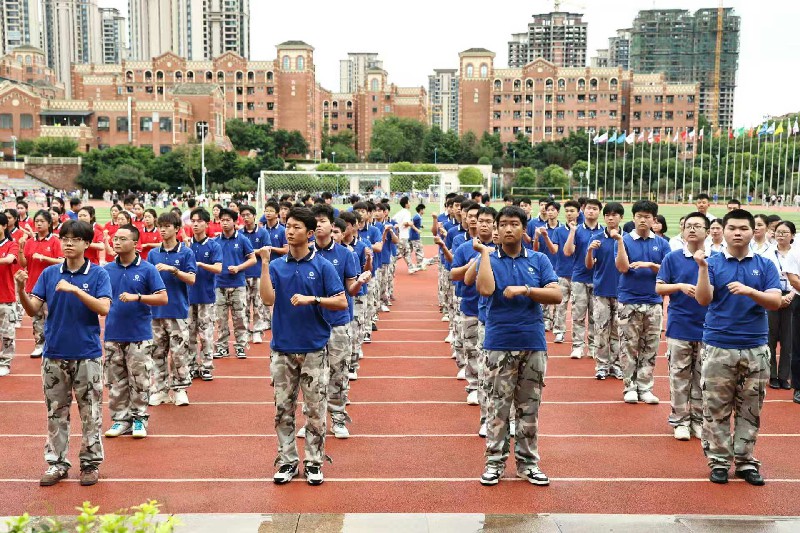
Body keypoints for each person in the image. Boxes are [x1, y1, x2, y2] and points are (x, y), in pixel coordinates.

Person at [16, 220, 112, 487]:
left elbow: (104, 308)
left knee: (90, 411)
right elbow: (33, 309)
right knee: (55, 412)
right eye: (65, 238)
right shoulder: (50, 274)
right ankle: (57, 463)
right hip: (54, 353)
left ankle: (90, 464)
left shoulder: (98, 274)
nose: (68, 243)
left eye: (75, 239)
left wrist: (76, 290)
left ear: (86, 243)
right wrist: (21, 290)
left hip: (87, 354)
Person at [259, 207, 347, 486]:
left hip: (313, 349)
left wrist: (314, 300)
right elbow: (267, 299)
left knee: (315, 409)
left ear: (309, 233)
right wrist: (264, 264)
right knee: (282, 409)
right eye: (288, 226)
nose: (289, 231)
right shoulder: (277, 266)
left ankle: (314, 462)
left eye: (296, 227)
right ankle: (287, 461)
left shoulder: (322, 266)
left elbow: (341, 301)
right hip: (282, 348)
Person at [694, 208, 782, 486]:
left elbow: (775, 301)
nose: (737, 233)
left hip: (755, 346)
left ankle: (745, 461)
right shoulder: (712, 263)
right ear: (723, 231)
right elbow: (703, 299)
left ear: (753, 232)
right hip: (719, 345)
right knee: (716, 407)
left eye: (743, 228)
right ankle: (719, 461)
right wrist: (702, 269)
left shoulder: (765, 265)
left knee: (750, 408)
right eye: (732, 228)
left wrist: (750, 291)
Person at [475, 205, 561, 486]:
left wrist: (526, 290)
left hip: (532, 342)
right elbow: (485, 289)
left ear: (524, 229)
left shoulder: (539, 259)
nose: (508, 229)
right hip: (499, 343)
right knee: (497, 408)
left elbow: (556, 294)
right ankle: (494, 463)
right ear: (496, 229)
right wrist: (485, 253)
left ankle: (528, 464)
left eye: (514, 224)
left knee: (529, 408)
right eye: (503, 224)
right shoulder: (488, 259)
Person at [102, 225, 167, 440]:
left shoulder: (147, 269)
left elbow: (162, 298)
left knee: (139, 380)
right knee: (116, 380)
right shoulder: (107, 270)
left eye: (122, 239)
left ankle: (139, 419)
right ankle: (121, 420)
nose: (117, 242)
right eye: (115, 238)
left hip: (139, 334)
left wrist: (138, 297)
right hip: (113, 333)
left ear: (135, 243)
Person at [656, 212, 712, 441]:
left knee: (703, 378)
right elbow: (659, 288)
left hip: (709, 328)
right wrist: (679, 286)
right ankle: (680, 420)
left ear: (707, 232)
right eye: (688, 225)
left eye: (697, 226)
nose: (692, 229)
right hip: (680, 326)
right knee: (679, 376)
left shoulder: (716, 259)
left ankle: (698, 420)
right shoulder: (672, 258)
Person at [615, 200, 670, 405]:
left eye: (647, 217)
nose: (643, 220)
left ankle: (645, 387)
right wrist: (620, 243)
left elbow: (668, 271)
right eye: (639, 216)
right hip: (629, 300)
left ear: (654, 220)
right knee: (628, 346)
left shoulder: (662, 244)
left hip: (654, 301)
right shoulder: (625, 240)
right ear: (634, 218)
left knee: (650, 346)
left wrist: (650, 265)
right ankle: (629, 386)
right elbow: (622, 267)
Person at [147, 213, 197, 407]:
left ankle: (180, 389)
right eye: (161, 226)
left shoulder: (186, 253)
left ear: (177, 229)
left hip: (177, 310)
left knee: (178, 352)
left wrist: (173, 270)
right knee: (157, 352)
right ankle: (159, 389)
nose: (162, 229)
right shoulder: (153, 253)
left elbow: (191, 279)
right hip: (156, 312)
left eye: (167, 226)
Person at [585, 202, 624, 380]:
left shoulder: (626, 239)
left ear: (621, 217)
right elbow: (588, 265)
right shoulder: (597, 239)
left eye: (614, 215)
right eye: (607, 215)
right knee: (601, 330)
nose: (610, 218)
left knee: (618, 331)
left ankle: (616, 365)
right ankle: (601, 365)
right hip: (601, 290)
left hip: (622, 291)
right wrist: (589, 251)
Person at [212, 208, 256, 360]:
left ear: (235, 221)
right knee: (220, 318)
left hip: (238, 284)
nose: (224, 223)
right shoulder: (215, 241)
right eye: (222, 220)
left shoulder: (242, 239)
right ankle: (222, 347)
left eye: (228, 220)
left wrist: (238, 268)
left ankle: (241, 346)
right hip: (219, 284)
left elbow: (252, 259)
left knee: (240, 317)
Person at [18, 210, 63, 357]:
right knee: (36, 318)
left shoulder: (55, 241)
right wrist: (20, 250)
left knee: (51, 316)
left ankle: (53, 344)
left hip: (52, 285)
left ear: (49, 223)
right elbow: (23, 263)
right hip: (33, 285)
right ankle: (39, 344)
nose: (38, 224)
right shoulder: (30, 242)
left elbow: (62, 261)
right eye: (36, 221)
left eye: (42, 221)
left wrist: (44, 258)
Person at [563, 199, 604, 359]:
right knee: (578, 314)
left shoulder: (604, 232)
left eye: (595, 208)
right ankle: (578, 346)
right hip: (579, 277)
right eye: (588, 208)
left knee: (596, 315)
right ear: (583, 210)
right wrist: (572, 232)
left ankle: (593, 346)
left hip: (598, 279)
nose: (591, 211)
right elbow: (567, 252)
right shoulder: (577, 230)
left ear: (599, 211)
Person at [188, 208, 223, 381]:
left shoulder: (213, 245)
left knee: (206, 334)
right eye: (193, 221)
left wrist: (201, 264)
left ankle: (207, 366)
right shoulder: (186, 245)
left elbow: (218, 268)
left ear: (206, 224)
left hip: (206, 296)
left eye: (199, 221)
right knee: (189, 334)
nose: (195, 224)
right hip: (188, 297)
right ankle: (192, 366)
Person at [765, 221, 799, 390]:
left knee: (789, 339)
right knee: (770, 337)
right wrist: (776, 297)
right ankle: (772, 375)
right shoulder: (767, 253)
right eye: (778, 232)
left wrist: (791, 295)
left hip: (793, 296)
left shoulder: (797, 253)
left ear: (792, 235)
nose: (781, 235)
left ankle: (784, 376)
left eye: (785, 232)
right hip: (772, 295)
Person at [240, 205, 271, 344]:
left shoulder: (263, 233)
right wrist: (255, 251)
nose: (245, 218)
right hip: (243, 274)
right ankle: (246, 331)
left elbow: (267, 251)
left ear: (254, 216)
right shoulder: (239, 233)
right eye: (243, 215)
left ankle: (257, 331)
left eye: (248, 215)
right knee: (244, 305)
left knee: (258, 305)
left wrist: (249, 251)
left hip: (258, 273)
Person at [551, 200, 580, 344]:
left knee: (578, 308)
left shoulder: (582, 230)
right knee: (561, 305)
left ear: (578, 213)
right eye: (567, 211)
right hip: (562, 272)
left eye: (572, 211)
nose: (569, 214)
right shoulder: (558, 231)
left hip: (578, 275)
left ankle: (577, 335)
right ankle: (559, 332)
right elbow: (555, 249)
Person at [0, 213, 18, 377]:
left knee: (7, 334)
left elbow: (9, 259)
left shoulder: (11, 244)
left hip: (5, 297)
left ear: (4, 226)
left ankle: (5, 362)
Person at [394, 196, 414, 273]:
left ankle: (411, 267)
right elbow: (406, 223)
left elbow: (393, 220)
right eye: (409, 202)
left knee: (403, 252)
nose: (410, 203)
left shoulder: (399, 212)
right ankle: (410, 268)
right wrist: (410, 223)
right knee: (406, 252)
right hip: (403, 235)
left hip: (399, 235)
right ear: (406, 204)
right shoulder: (407, 212)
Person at [409, 204, 426, 272]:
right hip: (415, 236)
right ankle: (419, 265)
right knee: (419, 250)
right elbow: (411, 224)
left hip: (412, 235)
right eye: (423, 209)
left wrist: (421, 226)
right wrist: (417, 230)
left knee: (409, 250)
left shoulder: (418, 216)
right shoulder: (417, 217)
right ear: (421, 210)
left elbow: (415, 224)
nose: (424, 211)